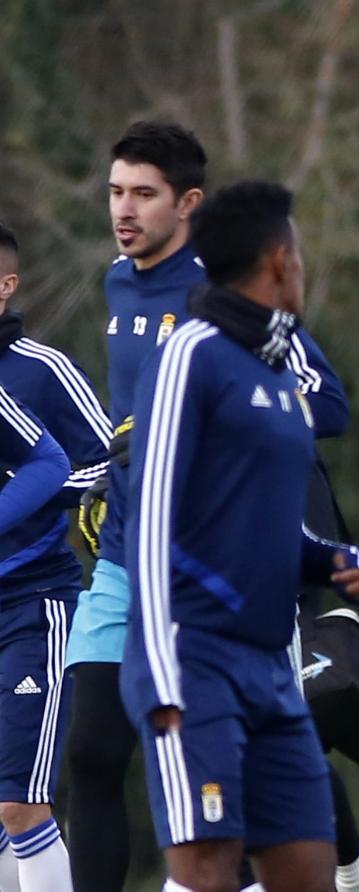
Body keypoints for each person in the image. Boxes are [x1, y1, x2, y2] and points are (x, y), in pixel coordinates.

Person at [63, 120, 359, 892]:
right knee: (92, 751)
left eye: (143, 194)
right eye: (115, 193)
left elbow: (324, 405)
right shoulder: (115, 281)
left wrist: (228, 437)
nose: (124, 211)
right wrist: (117, 474)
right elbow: (134, 426)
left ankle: (346, 854)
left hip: (225, 584)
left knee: (269, 788)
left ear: (188, 204)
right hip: (133, 569)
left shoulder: (228, 306)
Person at [0, 224, 111, 890]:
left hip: (34, 605)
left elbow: (103, 468)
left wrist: (24, 495)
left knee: (19, 801)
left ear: (6, 286)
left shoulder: (45, 370)